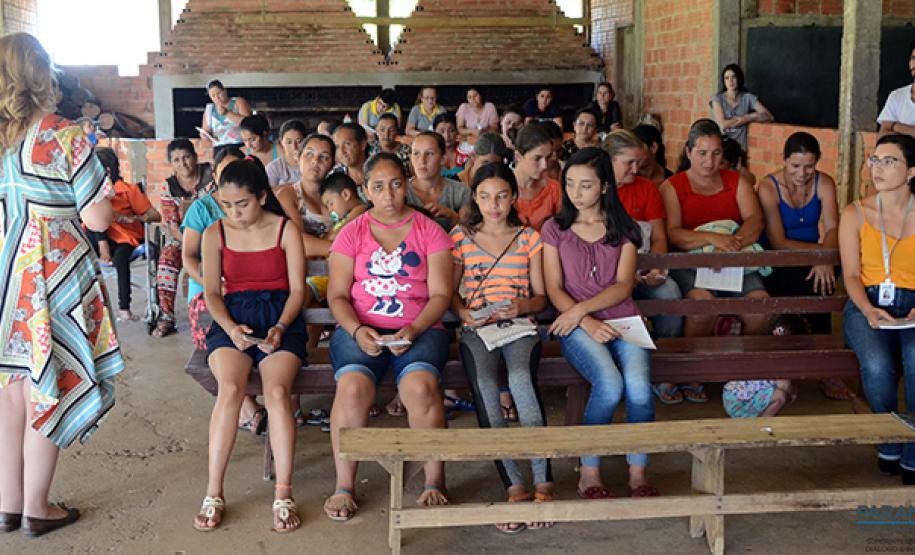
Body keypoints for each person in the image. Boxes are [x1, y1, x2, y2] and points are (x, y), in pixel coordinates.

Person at [0, 32, 124, 537]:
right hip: (54, 275)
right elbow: (97, 218)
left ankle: (6, 505)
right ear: (41, 73)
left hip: (6, 271)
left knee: (11, 388)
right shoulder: (66, 134)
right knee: (48, 386)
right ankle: (36, 508)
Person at [324, 153, 452, 521]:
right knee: (351, 389)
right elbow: (337, 296)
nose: (389, 194)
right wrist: (357, 329)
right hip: (359, 328)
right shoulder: (352, 233)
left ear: (406, 183)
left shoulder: (430, 231)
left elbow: (441, 295)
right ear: (365, 190)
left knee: (420, 388)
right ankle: (344, 485)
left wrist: (412, 329)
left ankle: (433, 480)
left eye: (396, 183)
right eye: (378, 186)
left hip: (420, 327)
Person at [194, 159, 307, 532]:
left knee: (276, 392)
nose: (234, 213)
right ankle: (213, 491)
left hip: (280, 317)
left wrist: (279, 326)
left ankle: (284, 491)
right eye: (227, 205)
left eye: (241, 204)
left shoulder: (285, 230)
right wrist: (230, 328)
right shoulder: (215, 234)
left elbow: (297, 291)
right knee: (230, 387)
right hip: (234, 317)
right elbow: (211, 292)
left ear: (261, 196)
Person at [543, 147, 658, 499]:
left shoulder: (625, 230)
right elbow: (554, 288)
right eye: (571, 184)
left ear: (605, 186)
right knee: (609, 384)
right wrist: (584, 320)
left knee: (639, 387)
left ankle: (637, 472)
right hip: (577, 327)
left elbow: (624, 285)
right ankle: (589, 470)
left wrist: (581, 311)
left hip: (624, 319)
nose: (577, 193)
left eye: (586, 185)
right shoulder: (556, 228)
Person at [451, 163, 553, 533]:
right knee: (486, 390)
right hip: (479, 330)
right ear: (474, 198)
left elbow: (540, 297)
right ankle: (514, 486)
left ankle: (544, 481)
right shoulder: (460, 237)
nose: (494, 205)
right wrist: (464, 313)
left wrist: (521, 306)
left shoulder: (529, 238)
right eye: (485, 197)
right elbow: (450, 292)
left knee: (522, 378)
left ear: (514, 197)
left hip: (520, 327)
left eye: (502, 196)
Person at [658, 119, 768, 403]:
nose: (710, 160)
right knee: (702, 305)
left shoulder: (737, 182)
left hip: (735, 260)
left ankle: (739, 372)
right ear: (688, 151)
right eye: (702, 152)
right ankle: (691, 371)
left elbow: (754, 221)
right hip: (693, 264)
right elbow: (674, 234)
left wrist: (731, 246)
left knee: (760, 310)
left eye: (717, 153)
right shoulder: (673, 186)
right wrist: (712, 239)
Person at [839, 133, 915, 484]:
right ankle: (889, 440)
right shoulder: (855, 213)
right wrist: (868, 310)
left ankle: (913, 450)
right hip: (866, 302)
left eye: (890, 161)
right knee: (877, 364)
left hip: (913, 305)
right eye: (875, 160)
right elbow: (852, 275)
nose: (878, 168)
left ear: (912, 170)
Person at [183, 147, 266, 435]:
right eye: (225, 171)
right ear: (215, 174)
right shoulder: (203, 210)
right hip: (208, 291)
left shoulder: (256, 206)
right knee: (220, 325)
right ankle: (250, 410)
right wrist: (212, 283)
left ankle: (248, 406)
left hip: (245, 290)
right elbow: (189, 257)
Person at [602, 130, 683, 377]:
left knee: (670, 292)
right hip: (605, 275)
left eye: (638, 162)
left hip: (643, 266)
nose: (636, 169)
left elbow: (659, 236)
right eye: (629, 163)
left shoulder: (647, 189)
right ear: (609, 160)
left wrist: (656, 268)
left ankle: (665, 367)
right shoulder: (594, 190)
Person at [90, 147, 161, 322]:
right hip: (97, 237)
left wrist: (133, 218)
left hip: (124, 238)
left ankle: (124, 308)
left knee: (121, 258)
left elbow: (155, 215)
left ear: (106, 170)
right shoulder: (91, 191)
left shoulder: (128, 190)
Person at [155, 139, 213, 338]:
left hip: (213, 235)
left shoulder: (211, 176)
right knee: (167, 260)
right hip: (182, 237)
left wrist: (206, 241)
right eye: (177, 160)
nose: (183, 164)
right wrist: (191, 243)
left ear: (195, 157)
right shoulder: (169, 187)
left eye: (187, 157)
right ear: (172, 164)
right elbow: (172, 224)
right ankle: (166, 316)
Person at [723, 315, 802, 418]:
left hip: (730, 397)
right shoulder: (782, 360)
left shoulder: (762, 346)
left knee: (772, 391)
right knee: (780, 396)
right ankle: (763, 423)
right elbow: (784, 386)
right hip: (741, 404)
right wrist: (792, 392)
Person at [277, 133, 338, 256]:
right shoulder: (288, 195)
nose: (315, 161)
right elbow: (298, 243)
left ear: (333, 165)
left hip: (336, 267)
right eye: (309, 154)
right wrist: (344, 250)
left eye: (324, 157)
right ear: (298, 158)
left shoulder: (338, 194)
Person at [408, 132, 471, 233]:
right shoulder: (401, 193)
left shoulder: (461, 192)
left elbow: (472, 233)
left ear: (443, 159)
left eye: (429, 153)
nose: (422, 160)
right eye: (416, 153)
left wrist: (453, 216)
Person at [710, 64, 773, 154]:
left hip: (741, 149)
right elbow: (723, 124)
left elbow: (769, 116)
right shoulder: (718, 99)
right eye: (726, 78)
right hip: (723, 147)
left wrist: (748, 117)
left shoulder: (748, 97)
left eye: (733, 77)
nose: (730, 81)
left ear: (739, 78)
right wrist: (746, 119)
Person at [513, 124, 563, 231]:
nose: (544, 165)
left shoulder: (554, 189)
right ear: (518, 156)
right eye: (537, 158)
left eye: (547, 157)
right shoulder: (500, 188)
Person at [200, 79, 252, 151]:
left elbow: (249, 123)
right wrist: (204, 136)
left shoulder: (238, 102)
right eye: (213, 96)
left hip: (239, 145)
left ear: (224, 91)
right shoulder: (209, 109)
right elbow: (205, 130)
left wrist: (227, 113)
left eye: (219, 93)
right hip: (219, 147)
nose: (217, 98)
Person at [265, 119, 307, 188]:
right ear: (281, 142)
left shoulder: (312, 165)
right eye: (289, 142)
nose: (294, 147)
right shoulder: (274, 168)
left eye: (299, 141)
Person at [433, 113, 470, 179]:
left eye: (451, 131)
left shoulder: (466, 150)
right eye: (441, 131)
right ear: (434, 132)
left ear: (456, 131)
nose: (447, 136)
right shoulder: (430, 153)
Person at [332, 123, 369, 187]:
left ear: (363, 144)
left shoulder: (379, 169)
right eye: (337, 146)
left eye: (347, 144)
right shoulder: (335, 177)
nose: (342, 152)